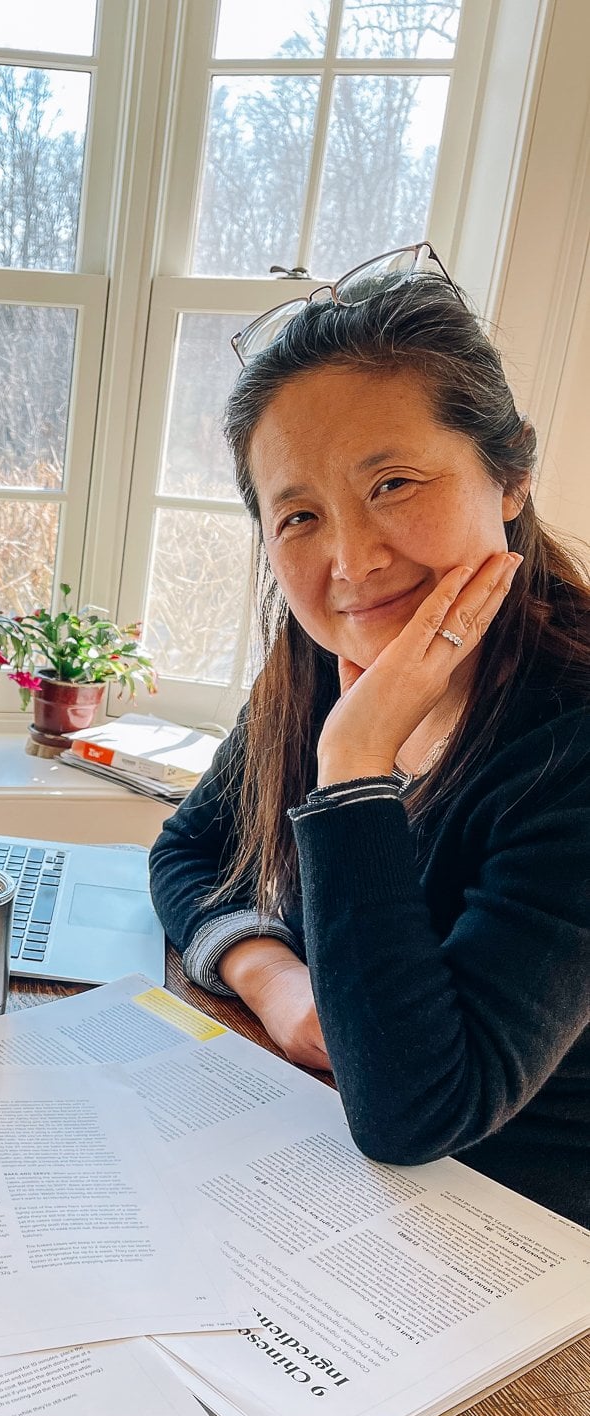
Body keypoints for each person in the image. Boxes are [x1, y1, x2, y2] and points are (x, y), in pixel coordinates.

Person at [149, 246, 590, 1225]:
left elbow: (412, 1108)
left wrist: (354, 768)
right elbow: (189, 848)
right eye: (298, 513)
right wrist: (275, 982)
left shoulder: (570, 738)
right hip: (332, 1177)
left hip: (517, 1245)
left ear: (508, 472)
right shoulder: (315, 661)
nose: (351, 558)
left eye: (392, 482)